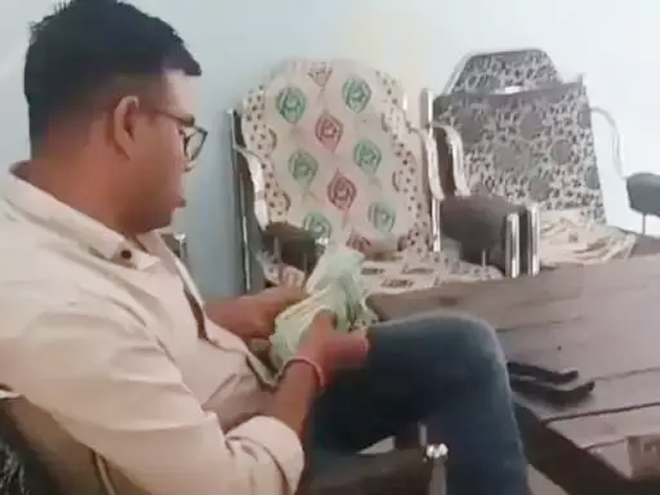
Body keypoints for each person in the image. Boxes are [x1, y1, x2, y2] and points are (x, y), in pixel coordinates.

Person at [0, 1, 528, 494]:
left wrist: (232, 317)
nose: (188, 159)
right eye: (184, 133)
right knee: (464, 357)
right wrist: (311, 362)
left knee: (462, 346)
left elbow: (135, 336)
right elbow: (238, 483)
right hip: (258, 449)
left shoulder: (70, 222)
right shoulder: (60, 308)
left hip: (253, 392)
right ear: (128, 124)